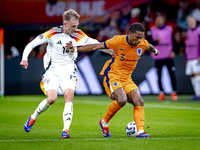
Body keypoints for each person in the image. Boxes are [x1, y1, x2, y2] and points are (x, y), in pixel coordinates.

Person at [20, 9, 113, 139]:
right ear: (65, 24)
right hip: (52, 70)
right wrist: (24, 58)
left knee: (68, 96)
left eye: (77, 26)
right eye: (73, 26)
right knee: (51, 99)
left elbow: (95, 44)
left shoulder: (78, 34)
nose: (76, 29)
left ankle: (65, 130)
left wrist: (111, 52)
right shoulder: (52, 33)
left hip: (69, 70)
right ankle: (33, 117)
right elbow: (33, 43)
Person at [67, 22, 159, 138]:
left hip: (127, 79)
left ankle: (140, 132)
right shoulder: (117, 41)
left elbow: (149, 46)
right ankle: (104, 122)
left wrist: (155, 51)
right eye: (137, 37)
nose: (139, 40)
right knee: (122, 100)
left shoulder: (142, 43)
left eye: (141, 37)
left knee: (139, 101)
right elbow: (96, 46)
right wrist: (76, 49)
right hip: (112, 75)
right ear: (130, 34)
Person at [149, 14, 178, 101]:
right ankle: (161, 93)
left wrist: (174, 51)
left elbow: (174, 41)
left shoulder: (169, 29)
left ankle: (174, 92)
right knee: (159, 76)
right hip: (158, 56)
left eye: (161, 20)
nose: (159, 22)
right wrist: (155, 41)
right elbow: (149, 43)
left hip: (168, 56)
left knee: (171, 74)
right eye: (158, 20)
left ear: (163, 20)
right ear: (155, 21)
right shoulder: (152, 30)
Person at [185, 15, 200, 100]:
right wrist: (186, 58)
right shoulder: (188, 32)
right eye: (188, 22)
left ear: (195, 22)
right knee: (192, 76)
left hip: (196, 57)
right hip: (190, 57)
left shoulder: (199, 31)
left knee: (197, 76)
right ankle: (197, 93)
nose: (190, 23)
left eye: (191, 21)